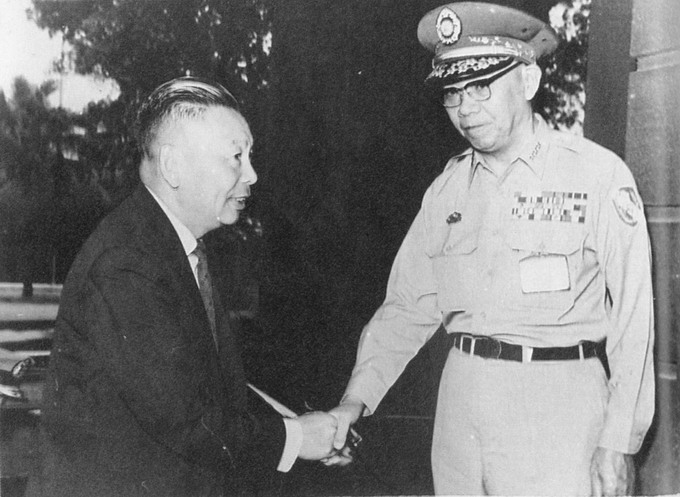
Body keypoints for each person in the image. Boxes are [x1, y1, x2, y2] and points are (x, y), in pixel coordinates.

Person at [327, 3, 655, 496]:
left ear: (527, 81)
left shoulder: (595, 175)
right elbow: (407, 308)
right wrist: (354, 401)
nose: (466, 109)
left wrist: (618, 440)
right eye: (453, 94)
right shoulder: (446, 191)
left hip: (557, 408)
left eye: (482, 87)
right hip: (460, 410)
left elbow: (634, 318)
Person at [42, 76, 338, 497]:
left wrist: (301, 429)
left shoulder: (169, 245)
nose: (251, 175)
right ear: (173, 166)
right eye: (236, 157)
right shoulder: (125, 263)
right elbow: (182, 418)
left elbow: (215, 388)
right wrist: (294, 439)